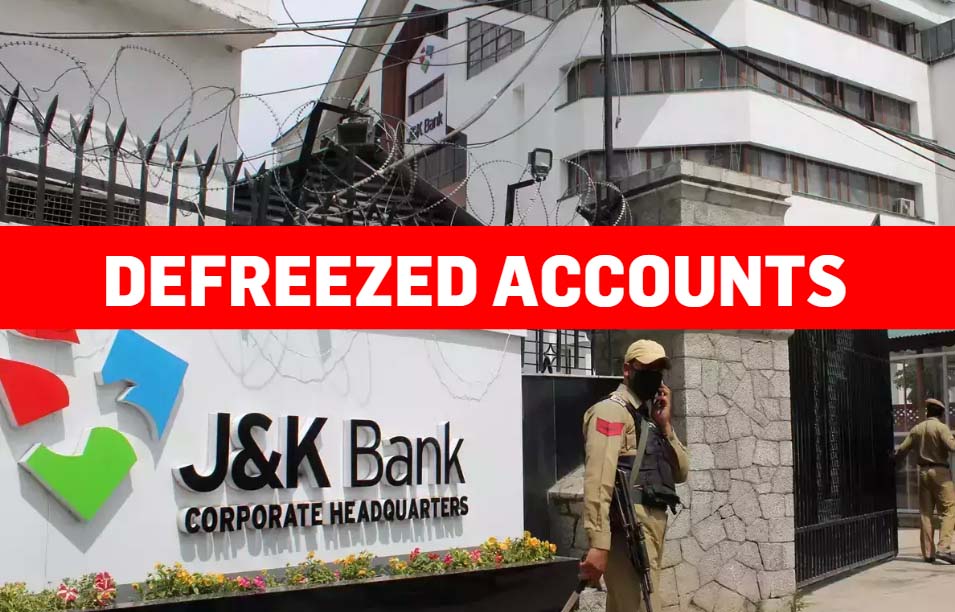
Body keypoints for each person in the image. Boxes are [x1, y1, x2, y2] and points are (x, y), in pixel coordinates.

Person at [580, 339, 690, 612]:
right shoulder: (611, 411)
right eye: (647, 369)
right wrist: (599, 544)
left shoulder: (647, 418)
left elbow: (681, 472)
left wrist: (665, 426)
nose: (654, 376)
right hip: (628, 532)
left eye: (658, 370)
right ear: (627, 370)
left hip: (649, 530)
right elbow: (599, 479)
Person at [893, 398, 955, 564]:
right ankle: (944, 548)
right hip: (940, 472)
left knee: (926, 513)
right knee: (949, 510)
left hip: (923, 473)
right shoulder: (941, 428)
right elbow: (952, 447)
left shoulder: (917, 429)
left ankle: (928, 553)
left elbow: (902, 450)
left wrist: (893, 462)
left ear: (928, 412)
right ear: (941, 413)